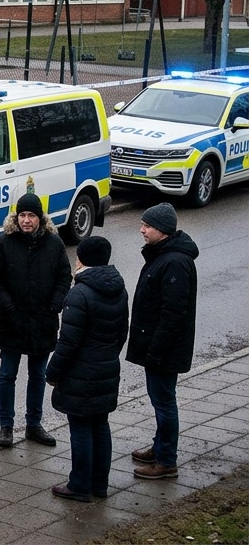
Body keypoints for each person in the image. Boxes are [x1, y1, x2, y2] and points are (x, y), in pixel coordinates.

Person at [0, 192, 71, 448]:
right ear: (16, 217)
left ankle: (34, 424)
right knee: (7, 375)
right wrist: (8, 306)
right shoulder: (3, 243)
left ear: (40, 218)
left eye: (31, 215)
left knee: (38, 375)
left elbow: (64, 277)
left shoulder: (54, 244)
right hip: (13, 321)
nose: (26, 220)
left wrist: (55, 305)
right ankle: (6, 426)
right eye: (22, 215)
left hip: (43, 321)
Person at [47, 236, 128, 503]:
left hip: (80, 375)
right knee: (100, 426)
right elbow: (121, 332)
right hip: (106, 369)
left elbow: (68, 342)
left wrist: (53, 372)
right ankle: (99, 484)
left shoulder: (79, 293)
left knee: (80, 427)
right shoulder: (118, 288)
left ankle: (79, 485)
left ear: (81, 259)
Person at [127, 202, 199, 481]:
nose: (142, 229)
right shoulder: (165, 255)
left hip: (164, 349)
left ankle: (166, 460)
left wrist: (156, 350)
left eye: (147, 225)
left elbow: (173, 314)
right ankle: (159, 448)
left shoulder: (175, 262)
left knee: (164, 402)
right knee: (161, 400)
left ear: (163, 231)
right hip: (159, 347)